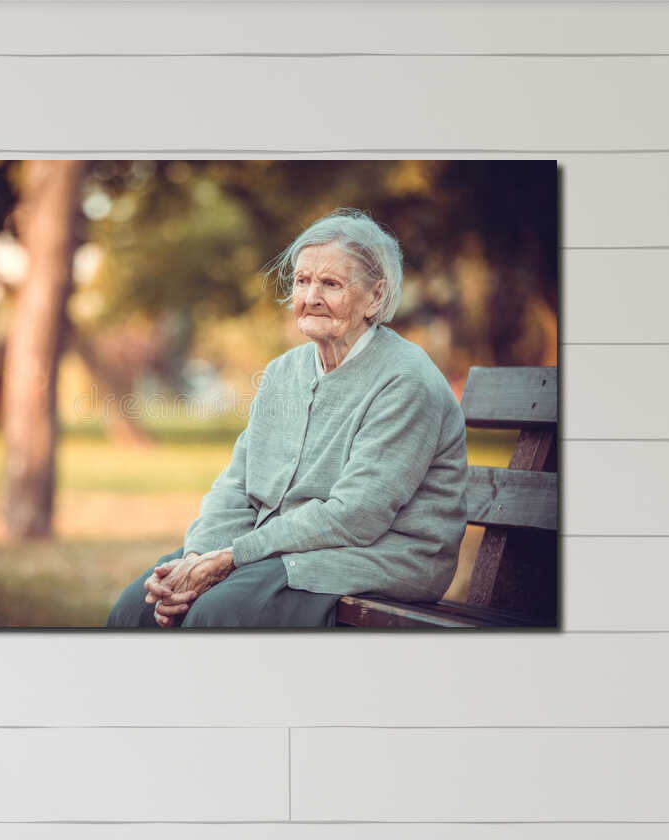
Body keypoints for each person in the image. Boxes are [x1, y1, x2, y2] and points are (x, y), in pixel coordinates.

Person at [105, 208, 470, 629]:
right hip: (279, 549)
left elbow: (357, 516)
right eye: (302, 281)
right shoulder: (283, 372)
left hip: (381, 554)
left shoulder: (406, 379)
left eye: (330, 283)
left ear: (375, 296)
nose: (310, 296)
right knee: (136, 609)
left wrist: (232, 556)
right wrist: (197, 555)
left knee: (216, 614)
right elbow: (237, 485)